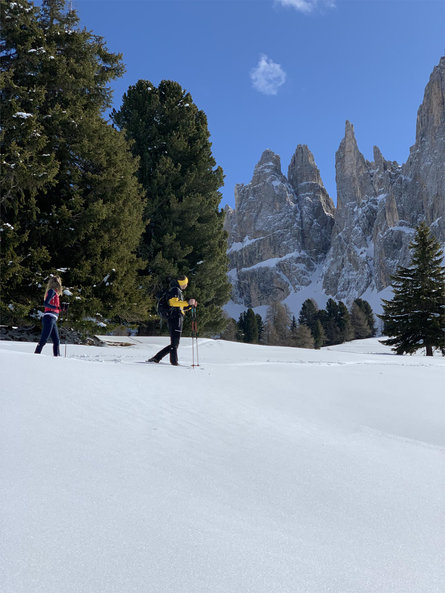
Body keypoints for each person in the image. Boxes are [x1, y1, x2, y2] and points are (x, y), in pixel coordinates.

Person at [148, 275, 197, 366]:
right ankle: (173, 362)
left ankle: (157, 358)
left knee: (174, 343)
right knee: (175, 343)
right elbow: (173, 303)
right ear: (183, 283)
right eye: (186, 283)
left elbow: (179, 306)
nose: (186, 285)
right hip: (175, 317)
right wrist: (187, 302)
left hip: (174, 316)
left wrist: (190, 306)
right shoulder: (175, 290)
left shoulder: (176, 290)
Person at [34, 275, 63, 356]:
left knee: (56, 341)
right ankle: (36, 355)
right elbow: (46, 303)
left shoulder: (54, 292)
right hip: (49, 318)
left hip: (52, 318)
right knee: (44, 339)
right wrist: (56, 307)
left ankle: (57, 357)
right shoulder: (52, 291)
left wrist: (60, 308)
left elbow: (52, 305)